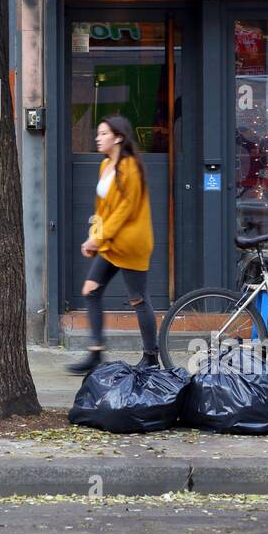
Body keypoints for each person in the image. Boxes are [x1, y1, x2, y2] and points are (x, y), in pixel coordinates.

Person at [67, 114, 158, 376]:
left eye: (104, 133)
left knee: (138, 299)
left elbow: (124, 210)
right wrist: (95, 234)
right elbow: (103, 209)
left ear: (118, 137)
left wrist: (98, 238)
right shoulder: (104, 165)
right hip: (111, 241)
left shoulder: (131, 167)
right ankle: (95, 352)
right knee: (91, 290)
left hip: (130, 243)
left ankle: (151, 358)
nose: (98, 137)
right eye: (98, 133)